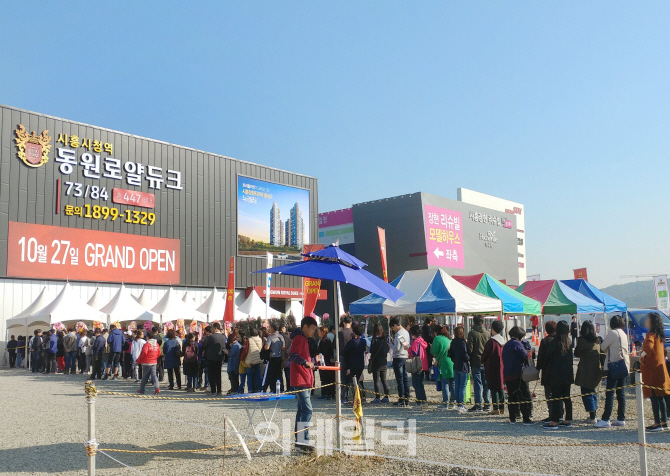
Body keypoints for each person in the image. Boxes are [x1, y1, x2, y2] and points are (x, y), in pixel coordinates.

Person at [289, 315, 318, 453]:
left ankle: (299, 442)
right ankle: (303, 441)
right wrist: (305, 362)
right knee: (307, 409)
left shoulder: (304, 339)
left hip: (305, 379)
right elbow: (293, 355)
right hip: (300, 379)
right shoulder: (299, 338)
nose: (313, 331)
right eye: (312, 329)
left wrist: (311, 360)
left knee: (301, 410)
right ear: (305, 327)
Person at [595, 315, 630, 428]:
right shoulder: (624, 334)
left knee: (610, 393)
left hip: (614, 366)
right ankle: (621, 417)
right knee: (621, 393)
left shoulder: (613, 333)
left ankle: (606, 418)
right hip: (624, 366)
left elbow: (603, 347)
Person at [640, 312, 670, 432]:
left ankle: (657, 422)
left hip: (652, 370)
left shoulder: (650, 335)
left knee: (653, 396)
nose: (646, 320)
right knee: (660, 396)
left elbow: (648, 348)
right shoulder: (659, 336)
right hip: (660, 369)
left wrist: (641, 355)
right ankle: (664, 422)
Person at [542, 321, 574, 429]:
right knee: (567, 398)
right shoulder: (569, 341)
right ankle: (568, 419)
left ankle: (555, 421)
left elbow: (546, 357)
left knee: (556, 398)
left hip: (556, 374)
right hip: (568, 374)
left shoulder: (555, 342)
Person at [503, 326, 533, 425]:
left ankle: (512, 417)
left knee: (512, 396)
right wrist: (531, 352)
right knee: (524, 396)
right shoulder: (518, 344)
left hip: (507, 374)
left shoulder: (506, 344)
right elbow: (525, 356)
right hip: (518, 374)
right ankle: (526, 418)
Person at [574, 321, 601, 424]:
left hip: (585, 370)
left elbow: (576, 353)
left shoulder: (582, 341)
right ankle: (594, 412)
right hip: (596, 369)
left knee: (586, 392)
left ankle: (592, 415)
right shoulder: (597, 340)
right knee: (593, 391)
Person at [536, 320, 560, 423]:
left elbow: (541, 358)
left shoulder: (545, 341)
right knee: (559, 394)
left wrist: (537, 368)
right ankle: (560, 414)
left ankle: (552, 415)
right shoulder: (561, 340)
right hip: (559, 371)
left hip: (548, 372)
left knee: (549, 394)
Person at [467, 315, 491, 412]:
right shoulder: (487, 333)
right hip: (486, 361)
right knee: (486, 384)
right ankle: (487, 403)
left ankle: (478, 404)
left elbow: (470, 349)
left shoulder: (472, 333)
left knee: (477, 384)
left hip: (476, 361)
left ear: (474, 322)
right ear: (483, 322)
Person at [481, 320, 505, 415]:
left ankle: (496, 408)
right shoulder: (503, 340)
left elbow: (485, 354)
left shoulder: (492, 341)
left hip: (492, 366)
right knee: (501, 387)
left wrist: (482, 360)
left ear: (492, 329)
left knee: (494, 387)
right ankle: (502, 407)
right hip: (502, 366)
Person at [431, 325, 455, 409]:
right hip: (452, 362)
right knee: (452, 383)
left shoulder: (437, 339)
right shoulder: (449, 339)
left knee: (445, 383)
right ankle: (453, 402)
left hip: (443, 363)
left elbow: (433, 351)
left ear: (435, 332)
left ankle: (445, 403)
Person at [343, 324, 368, 405]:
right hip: (360, 364)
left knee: (353, 382)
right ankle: (361, 398)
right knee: (358, 382)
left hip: (352, 365)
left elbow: (345, 351)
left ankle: (356, 400)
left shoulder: (352, 342)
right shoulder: (363, 342)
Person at [390, 317, 411, 407]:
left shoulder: (398, 334)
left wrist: (390, 345)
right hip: (405, 356)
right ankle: (407, 397)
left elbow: (397, 348)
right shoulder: (406, 332)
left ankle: (401, 398)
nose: (393, 329)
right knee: (405, 378)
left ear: (395, 325)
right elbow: (407, 345)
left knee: (400, 379)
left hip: (398, 358)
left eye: (392, 327)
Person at [450, 325, 470, 413]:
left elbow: (450, 354)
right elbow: (465, 355)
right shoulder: (463, 343)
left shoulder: (453, 342)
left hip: (456, 365)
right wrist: (469, 357)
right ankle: (461, 405)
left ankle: (457, 403)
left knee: (457, 386)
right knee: (462, 387)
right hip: (463, 366)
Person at [368, 323, 390, 403]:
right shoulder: (385, 340)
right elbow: (387, 350)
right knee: (384, 380)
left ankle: (377, 397)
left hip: (376, 362)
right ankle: (386, 396)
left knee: (376, 380)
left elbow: (372, 351)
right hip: (383, 361)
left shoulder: (374, 340)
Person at [409, 325, 429, 408]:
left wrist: (408, 348)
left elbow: (414, 353)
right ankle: (424, 401)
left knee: (416, 384)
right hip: (423, 365)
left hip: (417, 365)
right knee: (420, 384)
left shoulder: (416, 341)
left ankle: (419, 402)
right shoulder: (422, 341)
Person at [262, 323, 286, 392]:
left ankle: (272, 389)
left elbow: (267, 347)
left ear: (272, 328)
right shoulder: (281, 336)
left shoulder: (270, 337)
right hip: (279, 357)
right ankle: (281, 388)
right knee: (279, 374)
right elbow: (283, 348)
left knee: (270, 374)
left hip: (272, 357)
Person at [136, 331, 161, 395]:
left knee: (145, 376)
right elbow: (159, 353)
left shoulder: (147, 344)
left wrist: (141, 359)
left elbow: (144, 352)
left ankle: (142, 389)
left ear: (148, 337)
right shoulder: (156, 344)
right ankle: (157, 388)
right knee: (154, 375)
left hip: (147, 362)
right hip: (154, 362)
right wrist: (155, 358)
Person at [205, 322, 226, 396]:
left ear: (215, 328)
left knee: (211, 375)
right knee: (218, 374)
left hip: (211, 358)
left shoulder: (211, 337)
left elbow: (205, 346)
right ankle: (219, 391)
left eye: (212, 328)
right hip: (220, 358)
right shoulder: (224, 337)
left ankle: (213, 391)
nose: (212, 329)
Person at [338, 316, 355, 403]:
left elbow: (336, 346)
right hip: (351, 357)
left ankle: (343, 397)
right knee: (349, 378)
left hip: (342, 356)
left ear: (344, 323)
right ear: (351, 323)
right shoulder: (353, 333)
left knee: (342, 378)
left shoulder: (340, 333)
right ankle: (348, 396)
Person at [317, 326, 336, 399]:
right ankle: (326, 393)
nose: (318, 332)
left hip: (326, 362)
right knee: (325, 378)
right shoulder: (324, 340)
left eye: (319, 331)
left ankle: (327, 393)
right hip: (325, 362)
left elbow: (326, 353)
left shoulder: (325, 341)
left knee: (326, 378)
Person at [245, 328, 263, 393]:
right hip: (258, 359)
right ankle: (259, 389)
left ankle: (250, 390)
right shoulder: (260, 339)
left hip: (250, 360)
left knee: (249, 377)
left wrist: (242, 359)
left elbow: (246, 351)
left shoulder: (249, 340)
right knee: (258, 376)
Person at [198, 326, 211, 390]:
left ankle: (201, 383)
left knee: (202, 371)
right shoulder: (211, 338)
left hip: (204, 356)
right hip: (209, 356)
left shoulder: (204, 338)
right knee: (207, 371)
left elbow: (202, 346)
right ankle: (207, 384)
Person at [421, 316, 434, 382]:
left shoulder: (423, 327)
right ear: (430, 322)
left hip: (423, 345)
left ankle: (425, 374)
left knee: (425, 360)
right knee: (429, 360)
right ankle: (427, 375)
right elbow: (429, 337)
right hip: (428, 345)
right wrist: (433, 341)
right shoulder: (428, 328)